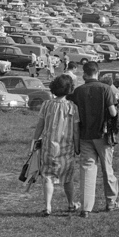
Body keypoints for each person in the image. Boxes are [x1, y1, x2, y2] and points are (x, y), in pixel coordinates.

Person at [69, 62, 119, 217]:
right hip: (103, 135)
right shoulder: (106, 89)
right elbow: (112, 113)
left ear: (84, 74)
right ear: (97, 73)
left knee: (87, 170)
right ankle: (111, 202)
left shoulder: (78, 91)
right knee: (107, 169)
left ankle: (86, 207)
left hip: (85, 135)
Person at [29, 75, 80, 216]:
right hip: (66, 147)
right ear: (69, 89)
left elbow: (40, 125)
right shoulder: (72, 107)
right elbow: (76, 129)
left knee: (47, 176)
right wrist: (77, 146)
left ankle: (47, 206)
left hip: (48, 147)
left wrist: (34, 141)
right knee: (68, 178)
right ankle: (71, 204)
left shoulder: (46, 105)